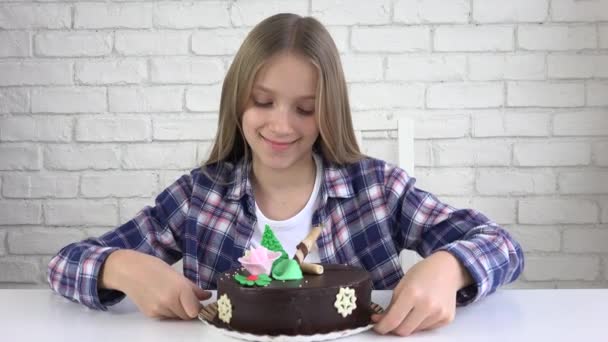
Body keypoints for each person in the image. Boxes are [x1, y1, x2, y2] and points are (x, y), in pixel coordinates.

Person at [47, 13, 524, 336]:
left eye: (305, 109)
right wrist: (123, 267)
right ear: (237, 100)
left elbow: (500, 244)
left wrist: (449, 267)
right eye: (262, 101)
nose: (281, 125)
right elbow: (65, 264)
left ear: (329, 111)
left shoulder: (379, 192)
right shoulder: (197, 198)